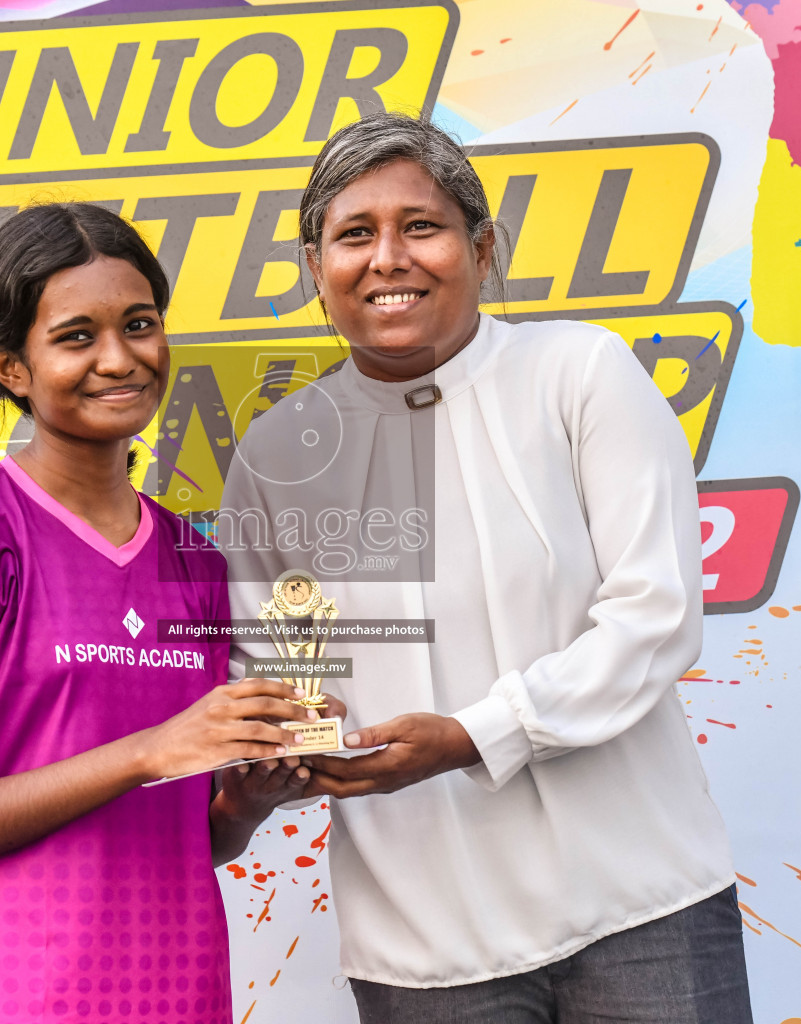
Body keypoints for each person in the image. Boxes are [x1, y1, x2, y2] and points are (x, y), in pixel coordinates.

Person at [219, 114, 753, 1022]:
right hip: (423, 943)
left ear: (483, 245)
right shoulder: (278, 455)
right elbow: (279, 668)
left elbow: (654, 615)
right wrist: (278, 756)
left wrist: (473, 735)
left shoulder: (579, 373)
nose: (388, 258)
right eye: (355, 235)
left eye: (420, 226)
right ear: (317, 269)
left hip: (645, 907)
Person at [0, 202, 317, 1024]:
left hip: (178, 996)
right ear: (11, 368)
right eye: (76, 336)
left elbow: (181, 838)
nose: (120, 359)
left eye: (139, 324)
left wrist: (244, 803)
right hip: (3, 1001)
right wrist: (148, 751)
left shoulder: (195, 562)